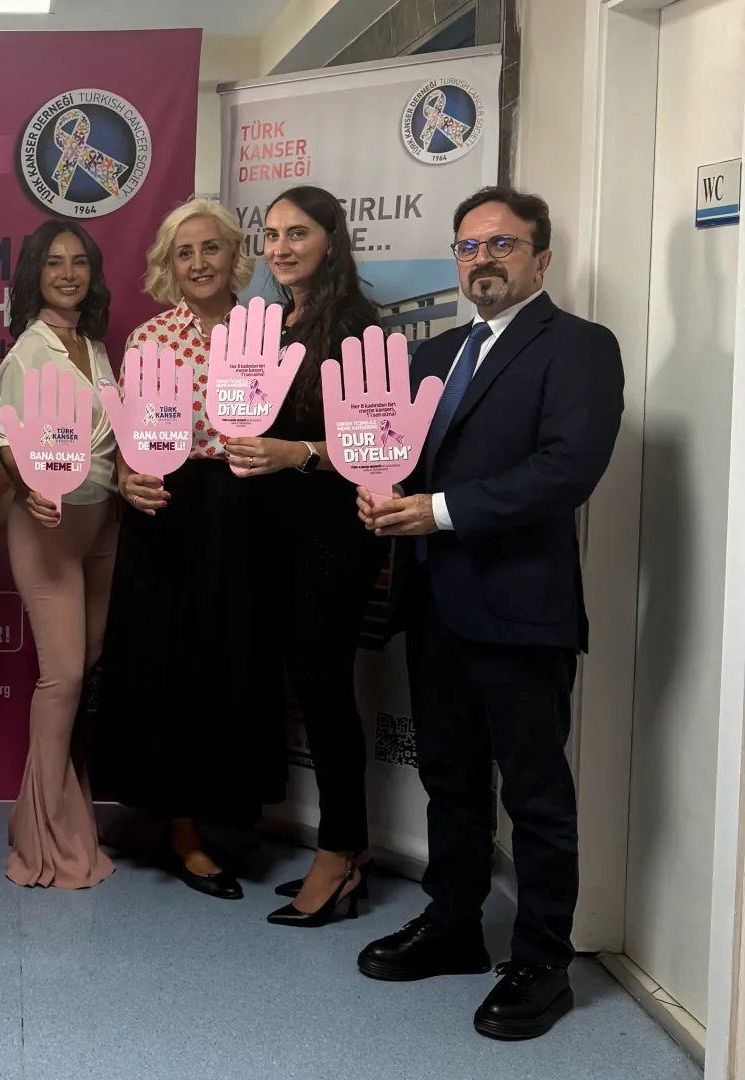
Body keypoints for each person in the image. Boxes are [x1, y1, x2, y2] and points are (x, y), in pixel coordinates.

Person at [357, 187, 623, 1040]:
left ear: (541, 258)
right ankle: (454, 926)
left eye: (502, 245)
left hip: (520, 610)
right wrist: (381, 493)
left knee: (536, 794)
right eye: (468, 247)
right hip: (436, 604)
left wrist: (435, 511)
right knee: (451, 780)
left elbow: (566, 469)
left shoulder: (579, 347)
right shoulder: (434, 355)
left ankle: (543, 959)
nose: (483, 260)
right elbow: (404, 459)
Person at [90, 198, 269, 899]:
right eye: (184, 252)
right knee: (172, 670)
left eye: (210, 248)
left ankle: (224, 807)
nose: (198, 263)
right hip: (167, 515)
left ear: (233, 255)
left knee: (232, 664)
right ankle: (182, 830)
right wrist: (127, 479)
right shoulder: (149, 339)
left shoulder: (267, 332)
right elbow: (129, 440)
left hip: (245, 513)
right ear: (169, 265)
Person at [224, 185, 387, 928]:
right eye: (272, 234)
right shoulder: (271, 323)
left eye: (298, 233)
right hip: (275, 532)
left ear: (331, 240)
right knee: (307, 689)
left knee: (324, 696)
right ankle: (350, 847)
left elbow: (377, 443)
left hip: (331, 537)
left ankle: (339, 853)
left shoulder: (356, 324)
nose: (281, 247)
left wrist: (298, 453)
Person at [0, 221, 118, 890]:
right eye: (54, 263)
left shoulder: (93, 348)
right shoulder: (28, 352)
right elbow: (4, 440)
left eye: (79, 263)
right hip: (49, 526)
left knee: (85, 666)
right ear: (35, 275)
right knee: (62, 677)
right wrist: (28, 485)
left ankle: (59, 808)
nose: (68, 274)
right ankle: (42, 835)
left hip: (104, 524)